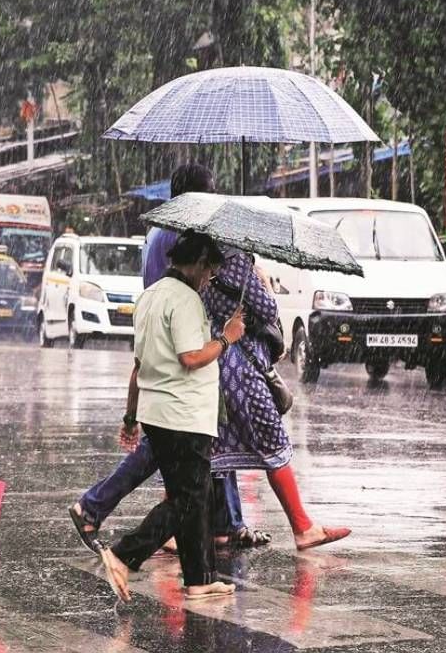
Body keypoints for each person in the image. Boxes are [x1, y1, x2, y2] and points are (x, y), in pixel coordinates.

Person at [70, 163, 268, 551]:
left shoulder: (160, 228)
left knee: (195, 440)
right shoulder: (184, 234)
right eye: (210, 191)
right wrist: (227, 336)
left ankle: (225, 523)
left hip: (158, 329)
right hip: (180, 336)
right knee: (173, 446)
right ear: (196, 194)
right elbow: (193, 351)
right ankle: (104, 516)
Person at [98, 232, 244, 601]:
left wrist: (131, 416)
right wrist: (227, 338)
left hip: (157, 412)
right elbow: (191, 357)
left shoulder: (151, 295)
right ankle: (123, 553)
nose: (209, 279)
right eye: (209, 271)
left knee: (194, 496)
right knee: (188, 500)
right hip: (184, 414)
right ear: (197, 264)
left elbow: (139, 362)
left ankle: (199, 579)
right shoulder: (185, 299)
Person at [204, 249, 350, 551]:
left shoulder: (203, 265)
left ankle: (219, 527)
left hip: (218, 365)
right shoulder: (236, 262)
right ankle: (302, 527)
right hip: (245, 368)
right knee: (273, 442)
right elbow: (269, 311)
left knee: (217, 449)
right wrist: (264, 280)